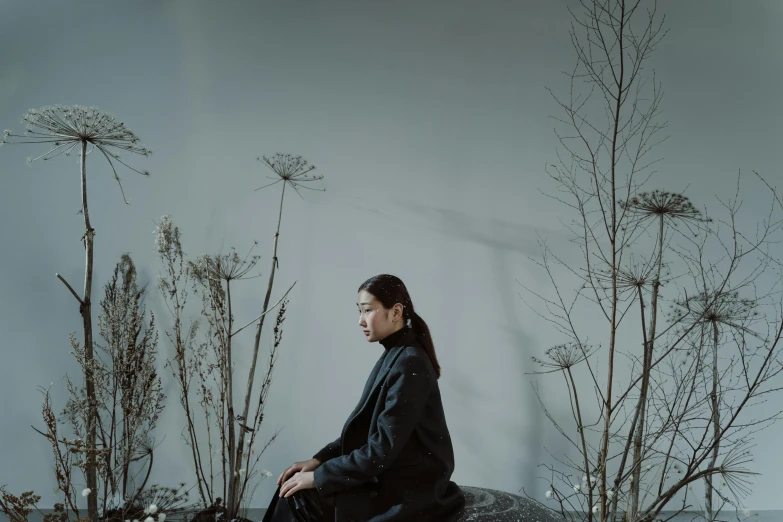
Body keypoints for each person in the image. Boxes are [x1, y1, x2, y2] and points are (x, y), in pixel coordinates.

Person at [262, 274, 465, 522]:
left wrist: (319, 477)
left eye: (367, 310)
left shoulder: (409, 361)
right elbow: (367, 431)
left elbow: (381, 449)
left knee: (298, 498)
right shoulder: (396, 354)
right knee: (290, 485)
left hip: (408, 487)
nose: (360, 321)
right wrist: (318, 461)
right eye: (359, 311)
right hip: (390, 472)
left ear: (396, 312)